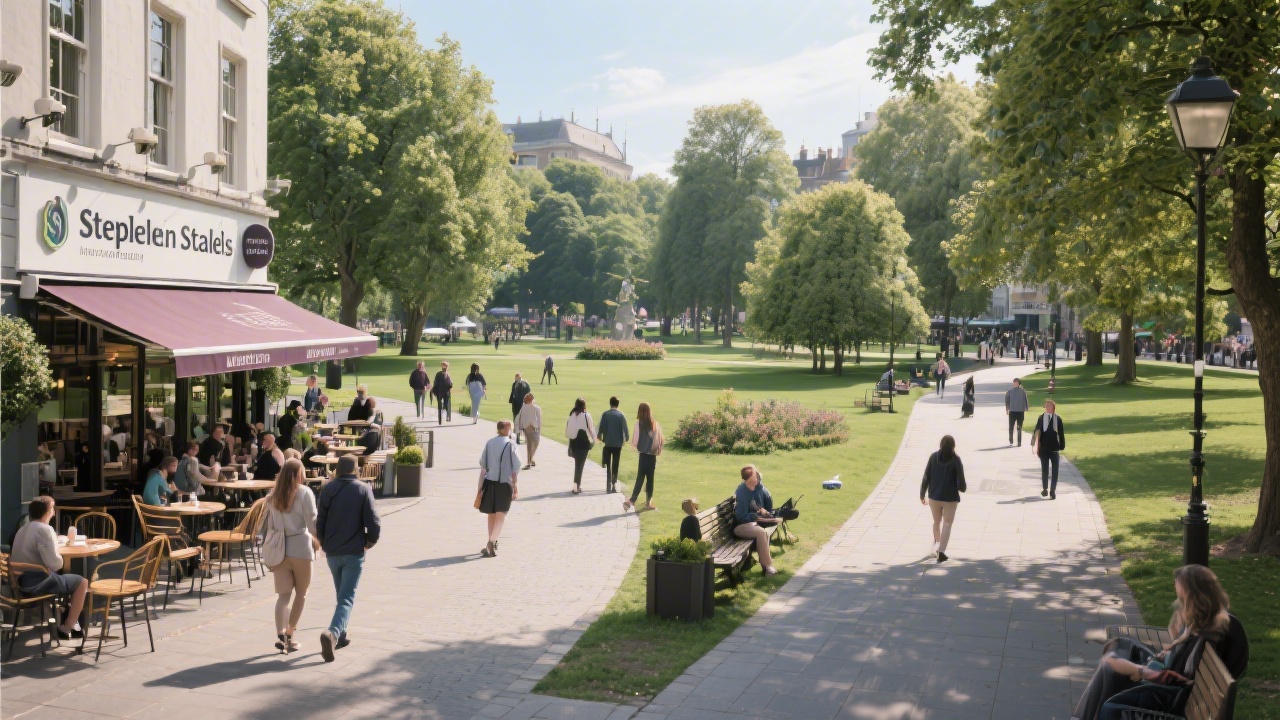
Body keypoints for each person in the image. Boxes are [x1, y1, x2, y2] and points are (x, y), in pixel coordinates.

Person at [1073, 565, 1231, 720]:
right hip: (1161, 680)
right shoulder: (1200, 623)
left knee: (1110, 673)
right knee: (1116, 651)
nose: (1178, 603)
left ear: (1194, 598)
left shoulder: (1202, 636)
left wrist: (1145, 671)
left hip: (1165, 696)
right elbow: (1175, 649)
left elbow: (1180, 679)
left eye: (1182, 598)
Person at [316, 455, 380, 663]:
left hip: (333, 552)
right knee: (346, 598)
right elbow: (374, 522)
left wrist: (324, 543)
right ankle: (332, 633)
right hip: (354, 551)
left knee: (341, 594)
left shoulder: (327, 489)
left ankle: (341, 636)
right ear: (355, 470)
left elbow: (321, 522)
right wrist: (369, 542)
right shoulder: (363, 489)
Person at [10, 496, 88, 639]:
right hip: (35, 583)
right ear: (47, 512)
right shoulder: (44, 529)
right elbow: (56, 564)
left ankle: (66, 613)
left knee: (66, 580)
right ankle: (66, 627)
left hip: (19, 583)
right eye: (52, 508)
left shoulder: (22, 529)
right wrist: (56, 549)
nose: (54, 512)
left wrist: (53, 544)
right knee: (81, 582)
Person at [263, 459, 319, 655]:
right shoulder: (304, 492)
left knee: (283, 596)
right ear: (299, 474)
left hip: (279, 549)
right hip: (301, 548)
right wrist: (318, 541)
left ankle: (280, 634)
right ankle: (289, 634)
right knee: (301, 594)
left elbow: (269, 526)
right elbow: (312, 523)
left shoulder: (272, 497)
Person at [919, 435, 967, 563]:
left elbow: (926, 476)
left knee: (936, 522)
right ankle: (941, 551)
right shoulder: (956, 460)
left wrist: (922, 493)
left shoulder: (933, 457)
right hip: (950, 498)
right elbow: (962, 484)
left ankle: (937, 544)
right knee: (947, 524)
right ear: (953, 446)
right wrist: (960, 487)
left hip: (934, 496)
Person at [477, 420, 520, 557]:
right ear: (506, 430)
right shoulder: (510, 444)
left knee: (491, 514)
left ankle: (491, 542)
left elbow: (483, 464)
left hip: (490, 482)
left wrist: (479, 487)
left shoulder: (490, 443)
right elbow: (516, 466)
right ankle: (492, 541)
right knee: (501, 515)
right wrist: (515, 484)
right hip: (504, 483)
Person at [732, 466, 777, 576]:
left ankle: (766, 567)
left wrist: (765, 514)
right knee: (762, 532)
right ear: (748, 479)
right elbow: (741, 516)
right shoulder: (742, 491)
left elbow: (768, 499)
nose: (758, 476)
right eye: (755, 475)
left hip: (753, 523)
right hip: (741, 526)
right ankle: (767, 567)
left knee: (770, 525)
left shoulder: (757, 488)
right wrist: (755, 516)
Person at [623, 402, 663, 511]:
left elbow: (635, 442)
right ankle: (648, 502)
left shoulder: (638, 424)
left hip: (643, 455)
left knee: (640, 478)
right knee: (650, 479)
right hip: (652, 455)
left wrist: (635, 446)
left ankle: (632, 500)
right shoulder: (655, 424)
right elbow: (660, 440)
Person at [1031, 399, 1066, 499]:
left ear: (1053, 408)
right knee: (1044, 469)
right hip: (1044, 449)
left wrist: (1062, 446)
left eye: (1048, 406)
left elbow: (1061, 433)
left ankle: (1053, 490)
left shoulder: (1058, 419)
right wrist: (1033, 443)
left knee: (1055, 471)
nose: (1046, 407)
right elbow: (1036, 430)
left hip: (1054, 449)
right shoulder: (1041, 418)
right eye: (1045, 406)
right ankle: (1045, 488)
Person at [597, 396, 629, 494]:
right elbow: (625, 429)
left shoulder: (605, 414)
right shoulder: (621, 415)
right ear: (618, 404)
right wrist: (626, 438)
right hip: (618, 444)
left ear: (610, 403)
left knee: (608, 464)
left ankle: (608, 484)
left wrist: (600, 437)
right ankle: (614, 484)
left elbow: (601, 428)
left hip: (608, 443)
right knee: (615, 464)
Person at [565, 398, 596, 495]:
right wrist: (594, 439)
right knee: (580, 465)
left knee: (578, 464)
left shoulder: (571, 415)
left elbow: (568, 430)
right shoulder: (587, 416)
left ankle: (576, 485)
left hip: (574, 442)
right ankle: (576, 486)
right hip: (583, 443)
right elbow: (591, 429)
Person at [517, 394, 542, 469]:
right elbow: (520, 417)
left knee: (535, 443)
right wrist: (520, 427)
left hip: (534, 427)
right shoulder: (524, 407)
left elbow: (539, 419)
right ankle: (529, 461)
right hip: (527, 427)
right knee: (530, 444)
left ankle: (531, 459)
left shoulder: (537, 408)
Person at [1005, 378, 1030, 446]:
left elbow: (1025, 400)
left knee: (1019, 427)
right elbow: (1007, 400)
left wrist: (1026, 408)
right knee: (1011, 427)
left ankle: (1019, 442)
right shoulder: (1010, 391)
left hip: (1020, 411)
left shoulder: (1023, 391)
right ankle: (1011, 441)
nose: (1015, 383)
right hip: (1012, 411)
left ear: (1019, 383)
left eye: (1016, 382)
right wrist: (1007, 409)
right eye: (1014, 382)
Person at [508, 373, 531, 444]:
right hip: (522, 405)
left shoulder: (516, 384)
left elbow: (513, 394)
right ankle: (524, 437)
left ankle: (518, 437)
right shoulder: (525, 384)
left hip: (517, 406)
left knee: (517, 422)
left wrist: (511, 400)